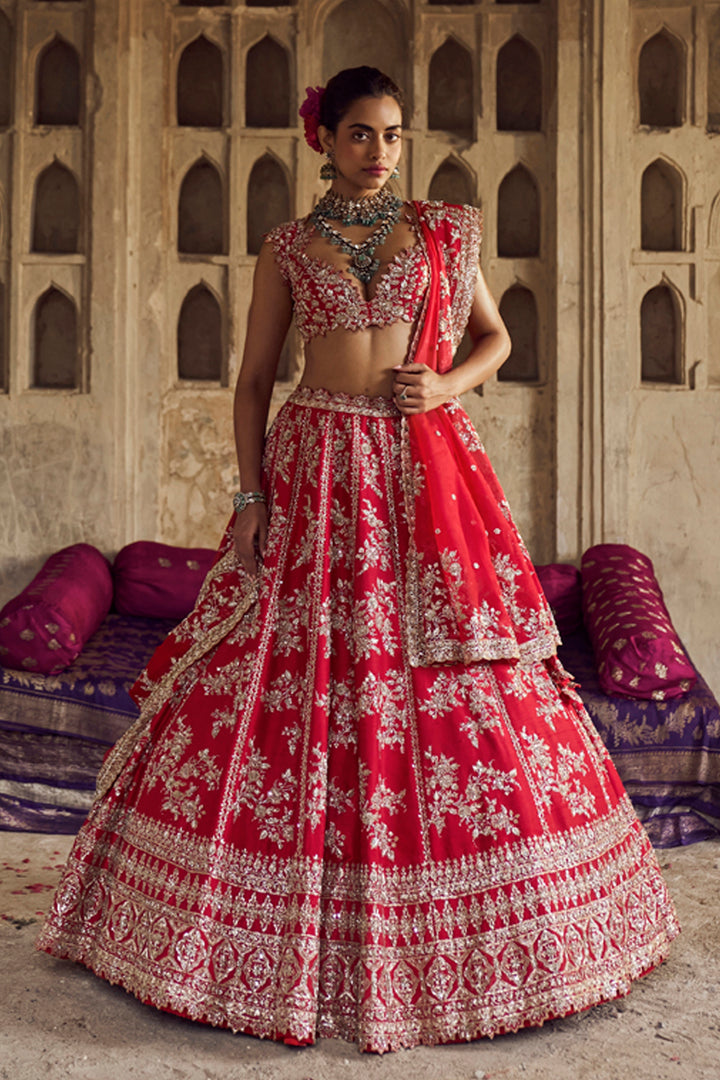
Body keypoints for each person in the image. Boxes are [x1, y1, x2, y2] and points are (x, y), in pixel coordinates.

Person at [37, 66, 679, 1054]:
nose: (379, 151)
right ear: (323, 141)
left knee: (449, 660)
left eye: (392, 135)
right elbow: (254, 380)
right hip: (315, 462)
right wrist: (248, 499)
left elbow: (498, 338)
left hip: (422, 462)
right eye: (360, 135)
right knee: (285, 669)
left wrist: (446, 385)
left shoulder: (444, 231)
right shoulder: (289, 247)